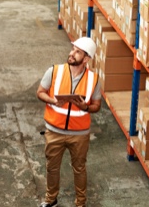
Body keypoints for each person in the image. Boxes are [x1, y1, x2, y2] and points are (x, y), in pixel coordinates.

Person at [36, 37, 102, 207]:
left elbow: (96, 106)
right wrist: (52, 100)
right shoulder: (54, 71)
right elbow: (40, 92)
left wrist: (85, 107)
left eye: (77, 51)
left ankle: (80, 203)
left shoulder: (93, 79)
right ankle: (51, 200)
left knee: (79, 169)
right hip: (54, 131)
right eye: (73, 49)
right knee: (52, 168)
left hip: (79, 135)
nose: (71, 53)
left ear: (86, 58)